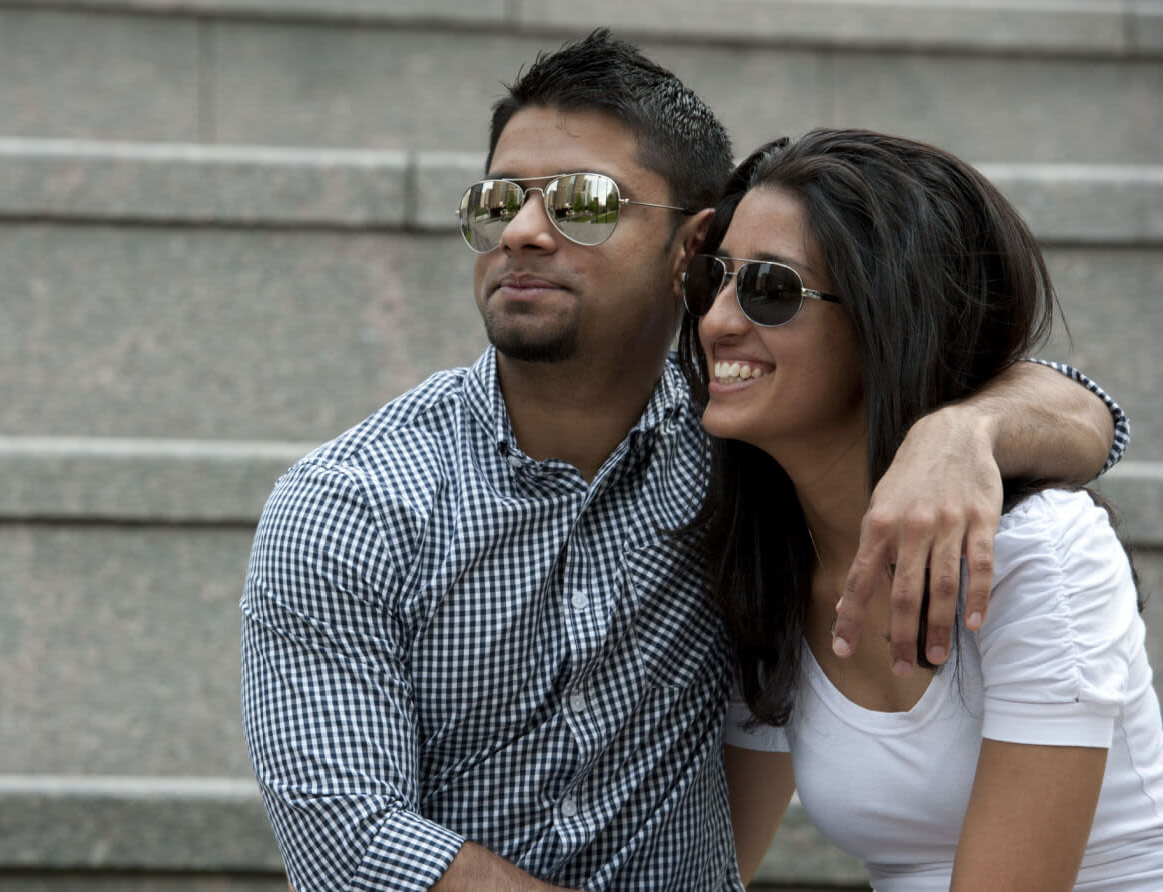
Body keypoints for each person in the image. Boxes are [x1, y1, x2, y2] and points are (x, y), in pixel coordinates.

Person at [241, 30, 1130, 891]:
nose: (523, 232)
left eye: (583, 202)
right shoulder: (350, 504)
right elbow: (351, 840)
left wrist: (962, 433)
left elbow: (1084, 413)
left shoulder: (743, 463)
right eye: (497, 201)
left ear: (690, 249)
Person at [680, 128, 1163, 890]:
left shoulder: (1041, 552)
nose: (716, 322)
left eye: (770, 289)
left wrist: (967, 427)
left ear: (886, 319)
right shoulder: (769, 566)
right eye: (716, 280)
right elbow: (706, 872)